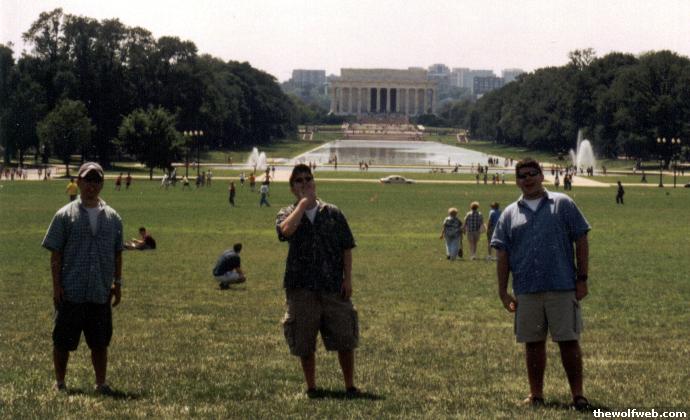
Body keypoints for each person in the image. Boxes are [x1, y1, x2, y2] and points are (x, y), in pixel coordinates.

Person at [490, 158, 592, 411]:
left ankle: (578, 395)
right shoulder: (509, 214)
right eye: (522, 176)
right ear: (516, 181)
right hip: (527, 288)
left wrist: (582, 278)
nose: (527, 179)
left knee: (568, 341)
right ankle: (536, 394)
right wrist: (502, 291)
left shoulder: (563, 203)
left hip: (561, 284)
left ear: (542, 175)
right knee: (533, 344)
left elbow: (581, 239)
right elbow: (502, 255)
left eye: (532, 174)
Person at [276, 164, 359, 397]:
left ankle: (350, 385)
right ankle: (311, 387)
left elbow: (346, 247)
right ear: (292, 188)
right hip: (301, 288)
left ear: (314, 182)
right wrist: (303, 205)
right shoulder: (287, 212)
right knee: (304, 340)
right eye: (299, 180)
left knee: (345, 338)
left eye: (308, 178)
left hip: (333, 286)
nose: (305, 183)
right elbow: (285, 231)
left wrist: (348, 279)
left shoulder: (333, 212)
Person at [42, 162, 123, 394]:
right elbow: (56, 254)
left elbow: (117, 253)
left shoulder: (113, 218)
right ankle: (60, 383)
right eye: (87, 180)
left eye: (96, 181)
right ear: (78, 182)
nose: (92, 186)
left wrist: (117, 283)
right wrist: (56, 287)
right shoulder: (64, 216)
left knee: (100, 342)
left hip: (100, 291)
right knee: (62, 341)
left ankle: (101, 383)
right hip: (71, 290)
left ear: (102, 184)